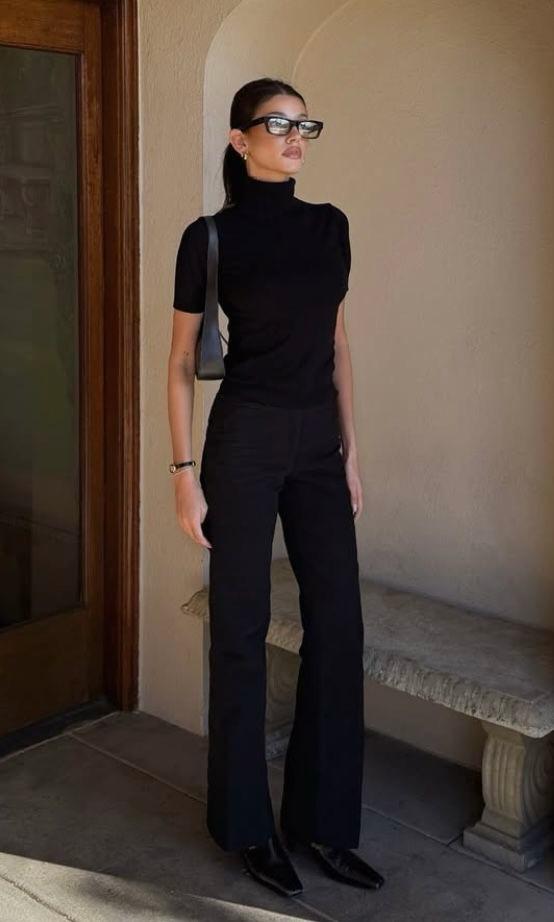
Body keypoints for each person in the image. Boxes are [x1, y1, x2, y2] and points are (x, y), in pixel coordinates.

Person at [167, 77, 385, 898]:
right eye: (279, 123)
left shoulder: (330, 228)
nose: (296, 137)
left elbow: (338, 348)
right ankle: (247, 826)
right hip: (246, 439)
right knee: (240, 625)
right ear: (240, 139)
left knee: (339, 624)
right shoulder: (210, 237)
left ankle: (323, 823)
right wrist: (183, 476)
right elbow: (181, 362)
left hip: (318, 444)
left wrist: (351, 452)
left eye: (305, 124)